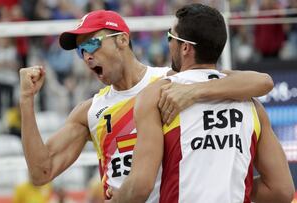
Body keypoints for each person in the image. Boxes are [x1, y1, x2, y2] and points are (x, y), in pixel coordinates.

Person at [19, 10, 274, 202]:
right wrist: (27, 100)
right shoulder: (90, 111)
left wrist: (195, 91)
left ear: (122, 40)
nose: (87, 56)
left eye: (92, 44)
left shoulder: (171, 80)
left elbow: (260, 81)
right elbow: (42, 172)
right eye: (80, 51)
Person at [111, 4, 294, 203]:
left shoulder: (157, 96)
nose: (169, 43)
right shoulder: (251, 103)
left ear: (185, 48)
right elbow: (282, 190)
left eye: (170, 37)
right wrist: (234, 183)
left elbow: (140, 186)